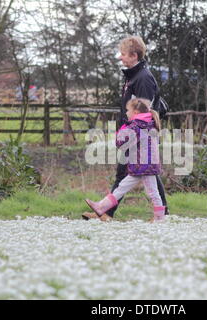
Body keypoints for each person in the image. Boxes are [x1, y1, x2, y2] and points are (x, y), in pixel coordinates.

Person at [82, 35, 169, 221]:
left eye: (123, 54)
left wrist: (128, 135)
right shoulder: (133, 76)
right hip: (133, 134)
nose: (120, 57)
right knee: (138, 173)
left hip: (138, 138)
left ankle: (107, 212)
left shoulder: (143, 79)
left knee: (145, 173)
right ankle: (106, 213)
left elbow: (144, 114)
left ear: (134, 55)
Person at [84, 98, 166, 222]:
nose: (126, 113)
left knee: (153, 192)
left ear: (136, 111)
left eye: (128, 110)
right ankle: (101, 207)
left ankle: (160, 219)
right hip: (143, 164)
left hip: (143, 165)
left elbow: (120, 143)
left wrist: (121, 130)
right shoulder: (147, 123)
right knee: (123, 187)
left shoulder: (137, 125)